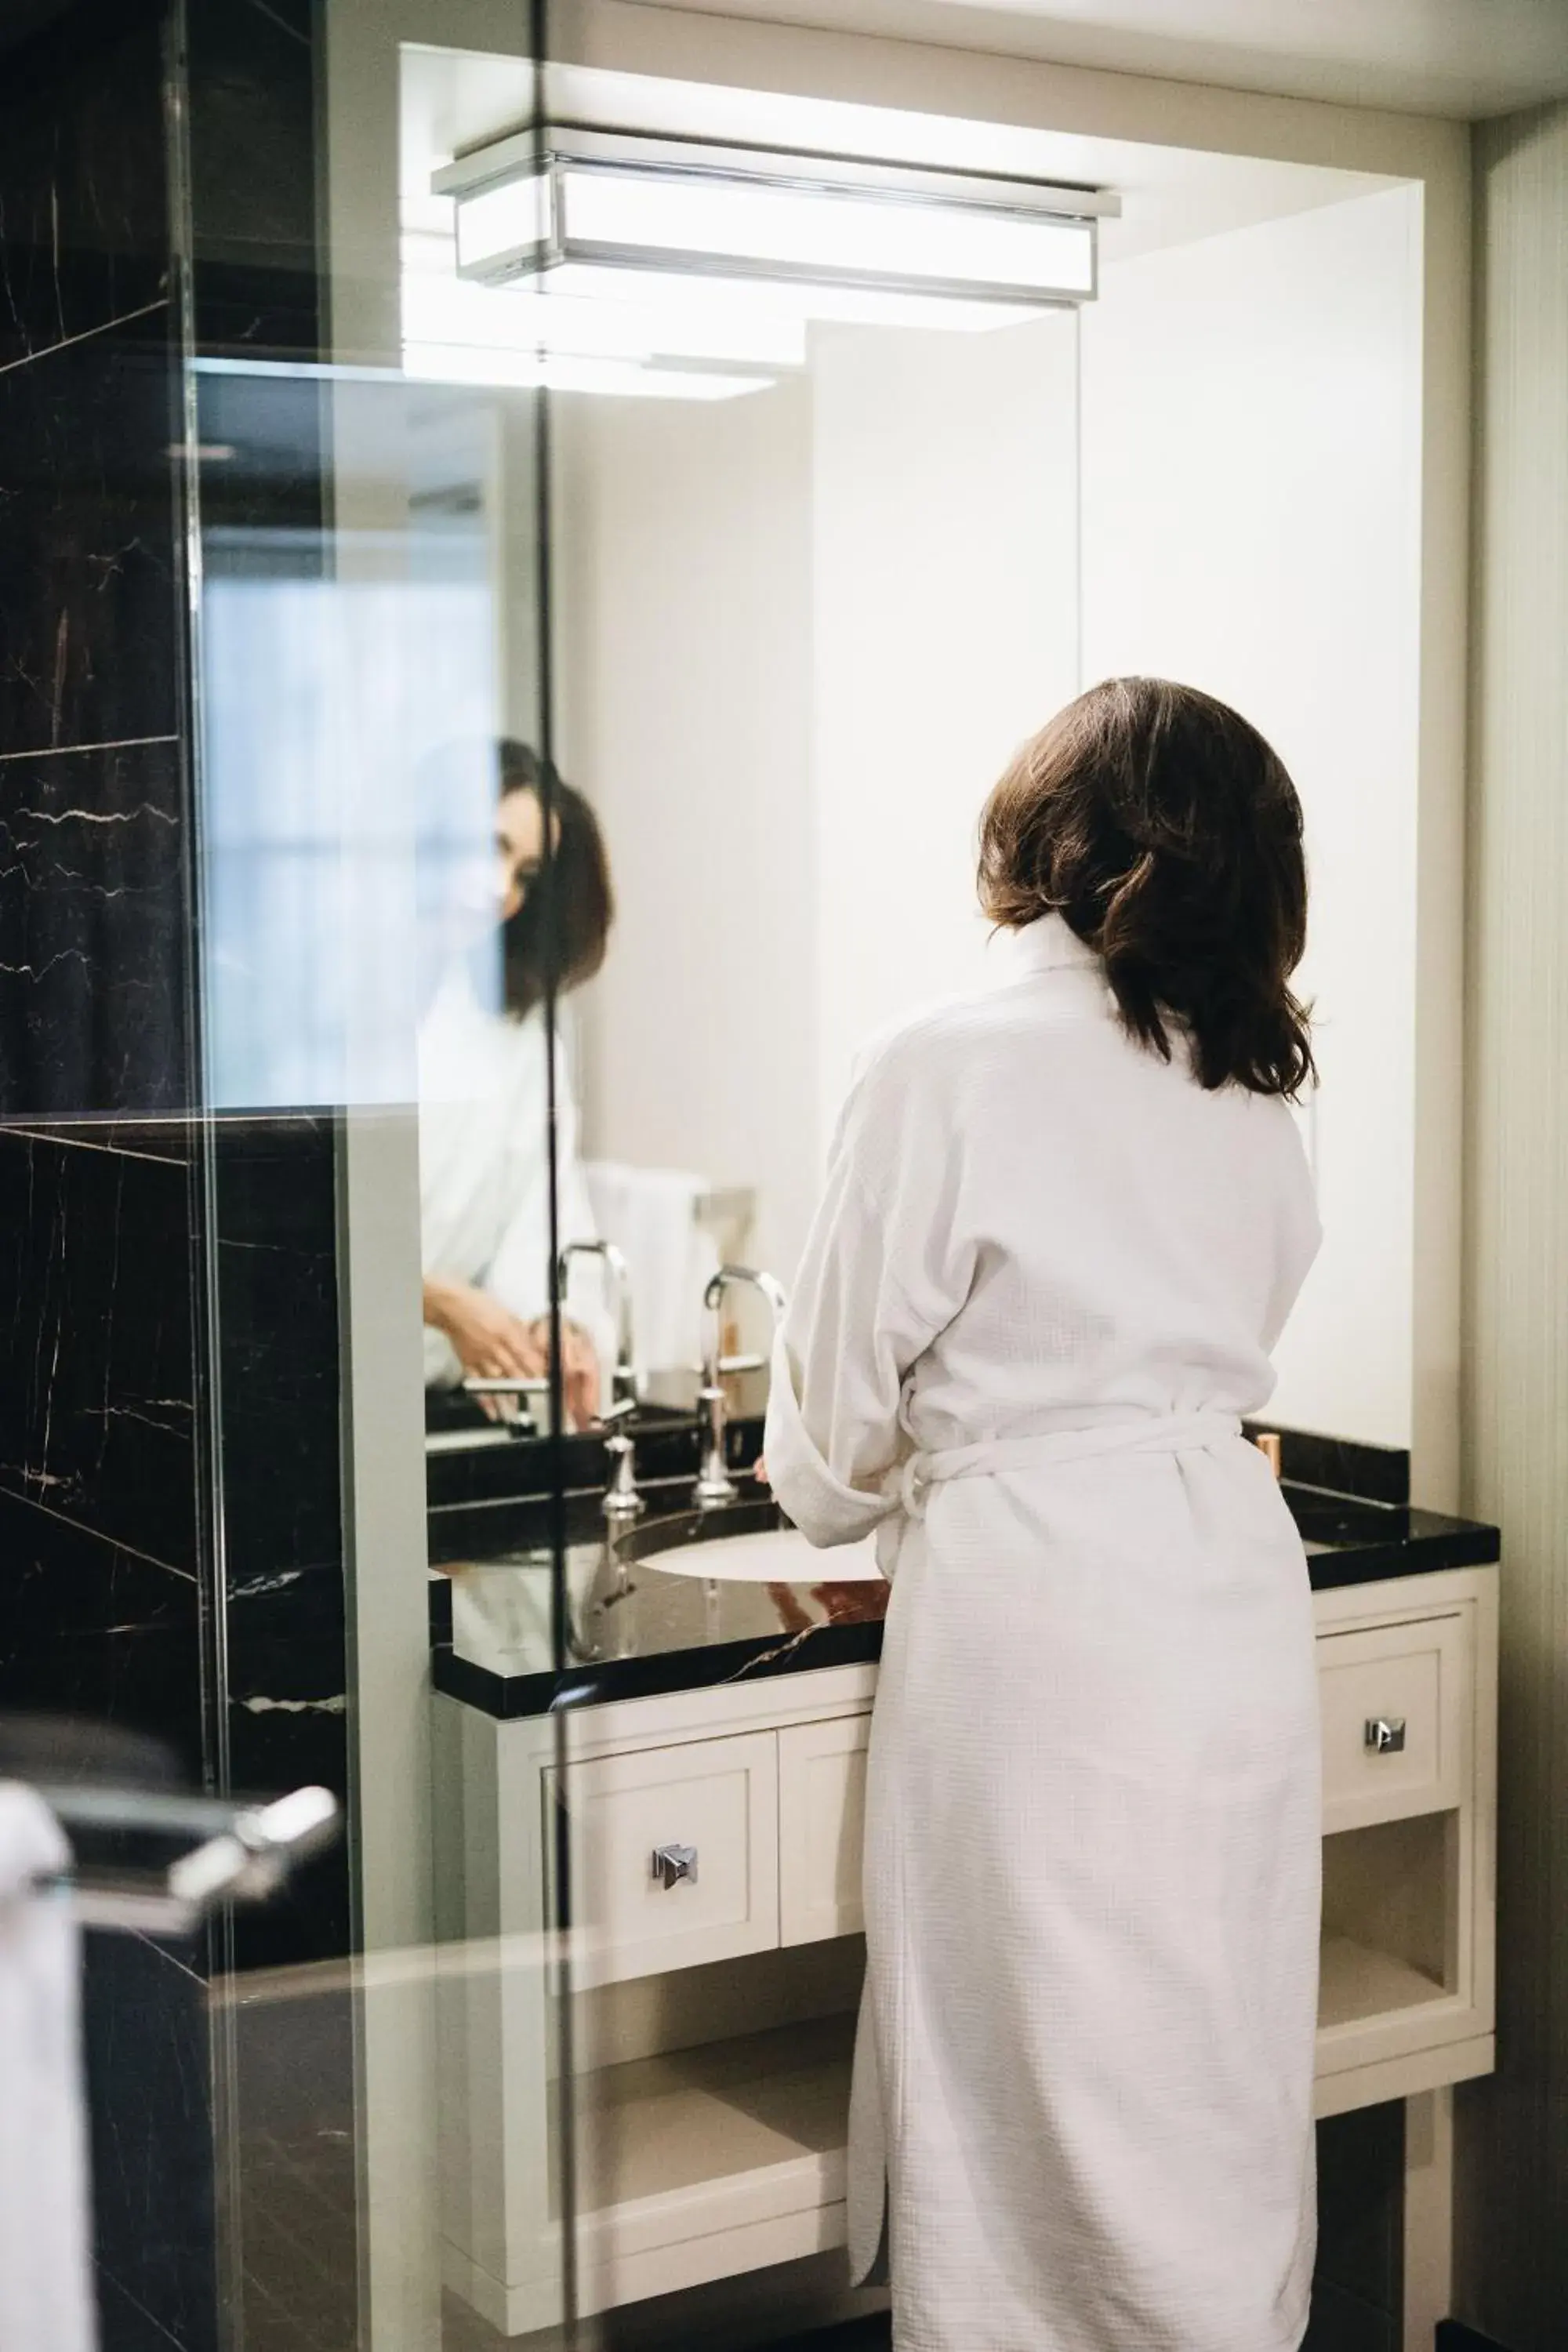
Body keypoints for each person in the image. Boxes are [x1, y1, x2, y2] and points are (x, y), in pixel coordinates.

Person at [764, 678, 1323, 2352]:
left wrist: (864, 1491)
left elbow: (826, 1443)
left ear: (1045, 835)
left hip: (1041, 1615)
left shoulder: (939, 1063)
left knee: (1039, 2056)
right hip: (1230, 1590)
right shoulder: (1251, 1087)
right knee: (1208, 2048)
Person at [419, 739, 613, 1431]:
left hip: (437, 1402)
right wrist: (433, 1299)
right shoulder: (318, 1001)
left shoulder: (518, 1032)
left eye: (527, 874)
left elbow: (542, 1213)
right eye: (490, 848)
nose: (502, 890)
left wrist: (552, 1321)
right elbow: (272, 1231)